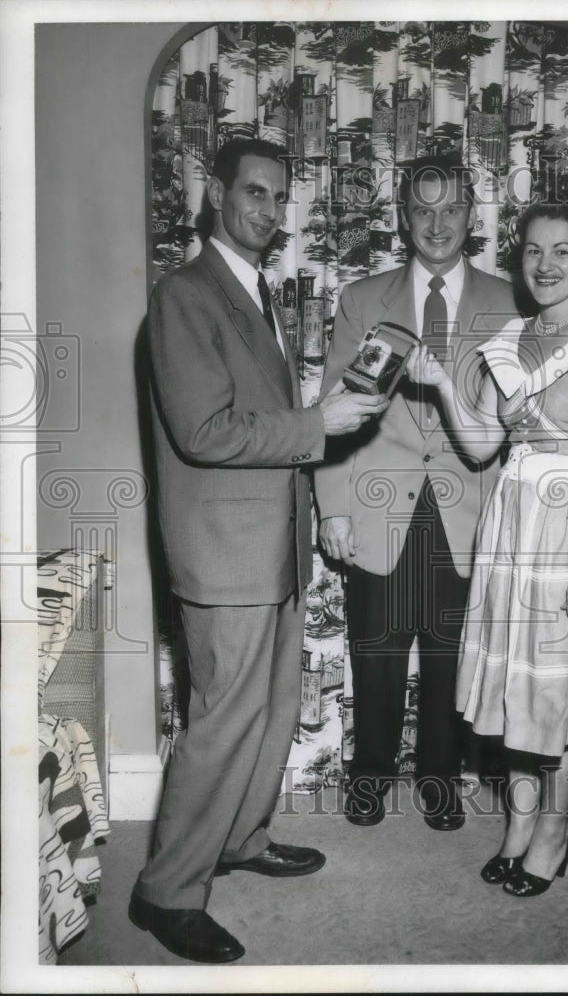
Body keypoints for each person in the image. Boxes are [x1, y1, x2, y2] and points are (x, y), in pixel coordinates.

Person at [130, 138, 388, 963]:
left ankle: (241, 838)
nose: (268, 212)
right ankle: (165, 892)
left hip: (268, 546)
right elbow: (203, 432)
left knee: (272, 709)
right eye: (253, 193)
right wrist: (321, 423)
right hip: (224, 552)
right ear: (215, 194)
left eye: (279, 198)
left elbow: (253, 422)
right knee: (221, 718)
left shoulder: (257, 291)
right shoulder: (183, 295)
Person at [407, 200, 568, 894]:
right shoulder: (510, 340)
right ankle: (518, 823)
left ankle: (552, 832)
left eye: (563, 251)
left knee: (565, 692)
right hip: (512, 528)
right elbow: (486, 443)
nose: (545, 265)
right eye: (533, 251)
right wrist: (441, 389)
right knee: (521, 688)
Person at [314, 154, 518, 831]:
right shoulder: (361, 299)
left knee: (447, 653)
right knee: (375, 649)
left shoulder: (509, 301)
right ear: (403, 216)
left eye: (451, 210)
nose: (437, 225)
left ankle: (438, 777)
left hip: (469, 505)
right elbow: (334, 407)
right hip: (378, 501)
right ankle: (368, 774)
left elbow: (517, 419)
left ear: (471, 216)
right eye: (422, 210)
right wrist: (333, 506)